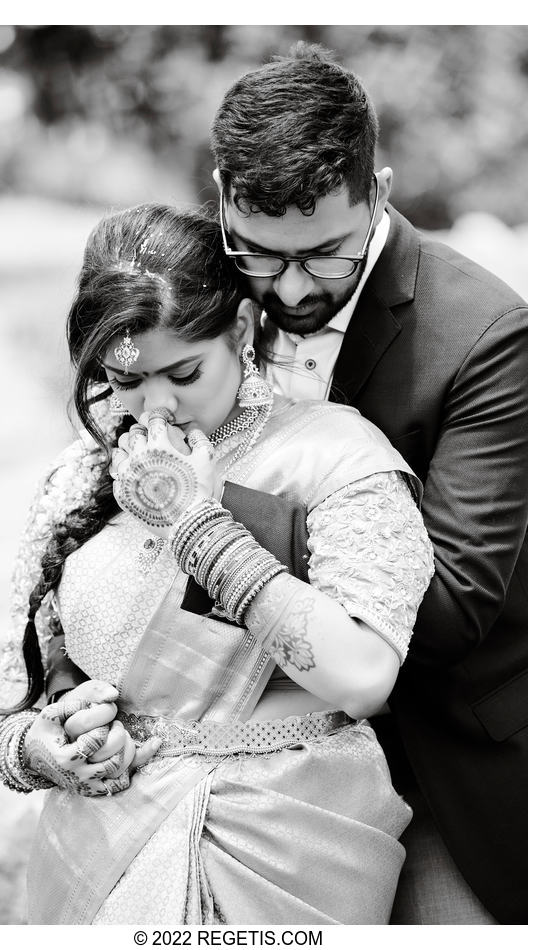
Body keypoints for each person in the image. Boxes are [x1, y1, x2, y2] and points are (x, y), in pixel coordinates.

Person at [0, 202, 434, 925]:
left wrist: (196, 524)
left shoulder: (333, 459)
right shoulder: (80, 476)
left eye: (184, 372)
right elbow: (32, 686)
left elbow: (362, 677)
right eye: (123, 381)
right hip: (100, 846)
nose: (153, 407)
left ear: (242, 330)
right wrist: (38, 748)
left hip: (277, 845)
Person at [205, 43, 527, 925]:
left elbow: (455, 606)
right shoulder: (205, 293)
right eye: (262, 256)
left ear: (378, 192)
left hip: (434, 752)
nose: (291, 288)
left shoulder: (485, 332)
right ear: (223, 195)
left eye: (326, 257)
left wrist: (212, 538)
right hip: (227, 752)